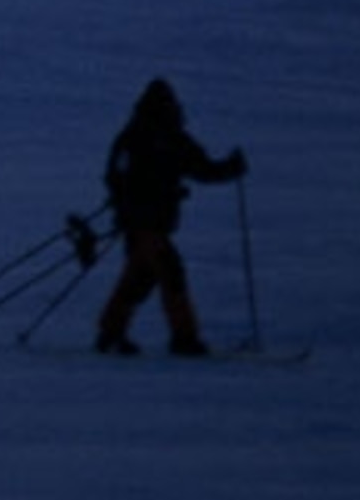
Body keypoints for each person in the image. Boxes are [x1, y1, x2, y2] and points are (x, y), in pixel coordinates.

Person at [94, 77, 246, 356]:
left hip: (147, 223)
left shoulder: (146, 137)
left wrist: (228, 168)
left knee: (141, 278)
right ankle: (184, 338)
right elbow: (202, 169)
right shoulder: (155, 138)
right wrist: (229, 169)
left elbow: (201, 168)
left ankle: (110, 333)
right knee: (170, 271)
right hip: (144, 224)